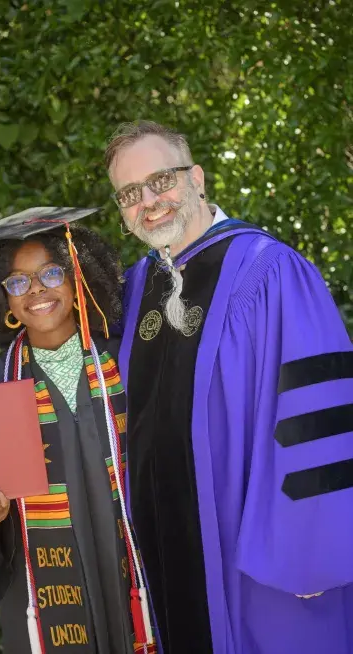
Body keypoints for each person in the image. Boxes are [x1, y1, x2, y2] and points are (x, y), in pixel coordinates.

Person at [105, 121, 353, 654]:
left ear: (196, 178)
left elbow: (318, 417)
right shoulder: (131, 290)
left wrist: (310, 551)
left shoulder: (271, 271)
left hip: (262, 560)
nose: (149, 202)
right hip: (162, 559)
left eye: (161, 180)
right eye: (129, 193)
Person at [0, 208, 155, 654]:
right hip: (46, 593)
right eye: (18, 282)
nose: (35, 289)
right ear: (6, 302)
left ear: (78, 278)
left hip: (144, 569)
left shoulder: (130, 362)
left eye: (50, 273)